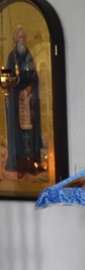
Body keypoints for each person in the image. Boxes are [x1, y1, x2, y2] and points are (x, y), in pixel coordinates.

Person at [5, 27, 43, 177]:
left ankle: (31, 164)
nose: (22, 40)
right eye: (19, 38)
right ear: (16, 40)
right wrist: (15, 78)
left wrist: (30, 86)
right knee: (19, 132)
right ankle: (21, 165)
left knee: (30, 132)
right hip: (17, 100)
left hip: (29, 100)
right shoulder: (12, 56)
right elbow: (8, 78)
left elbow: (34, 76)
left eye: (23, 37)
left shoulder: (29, 55)